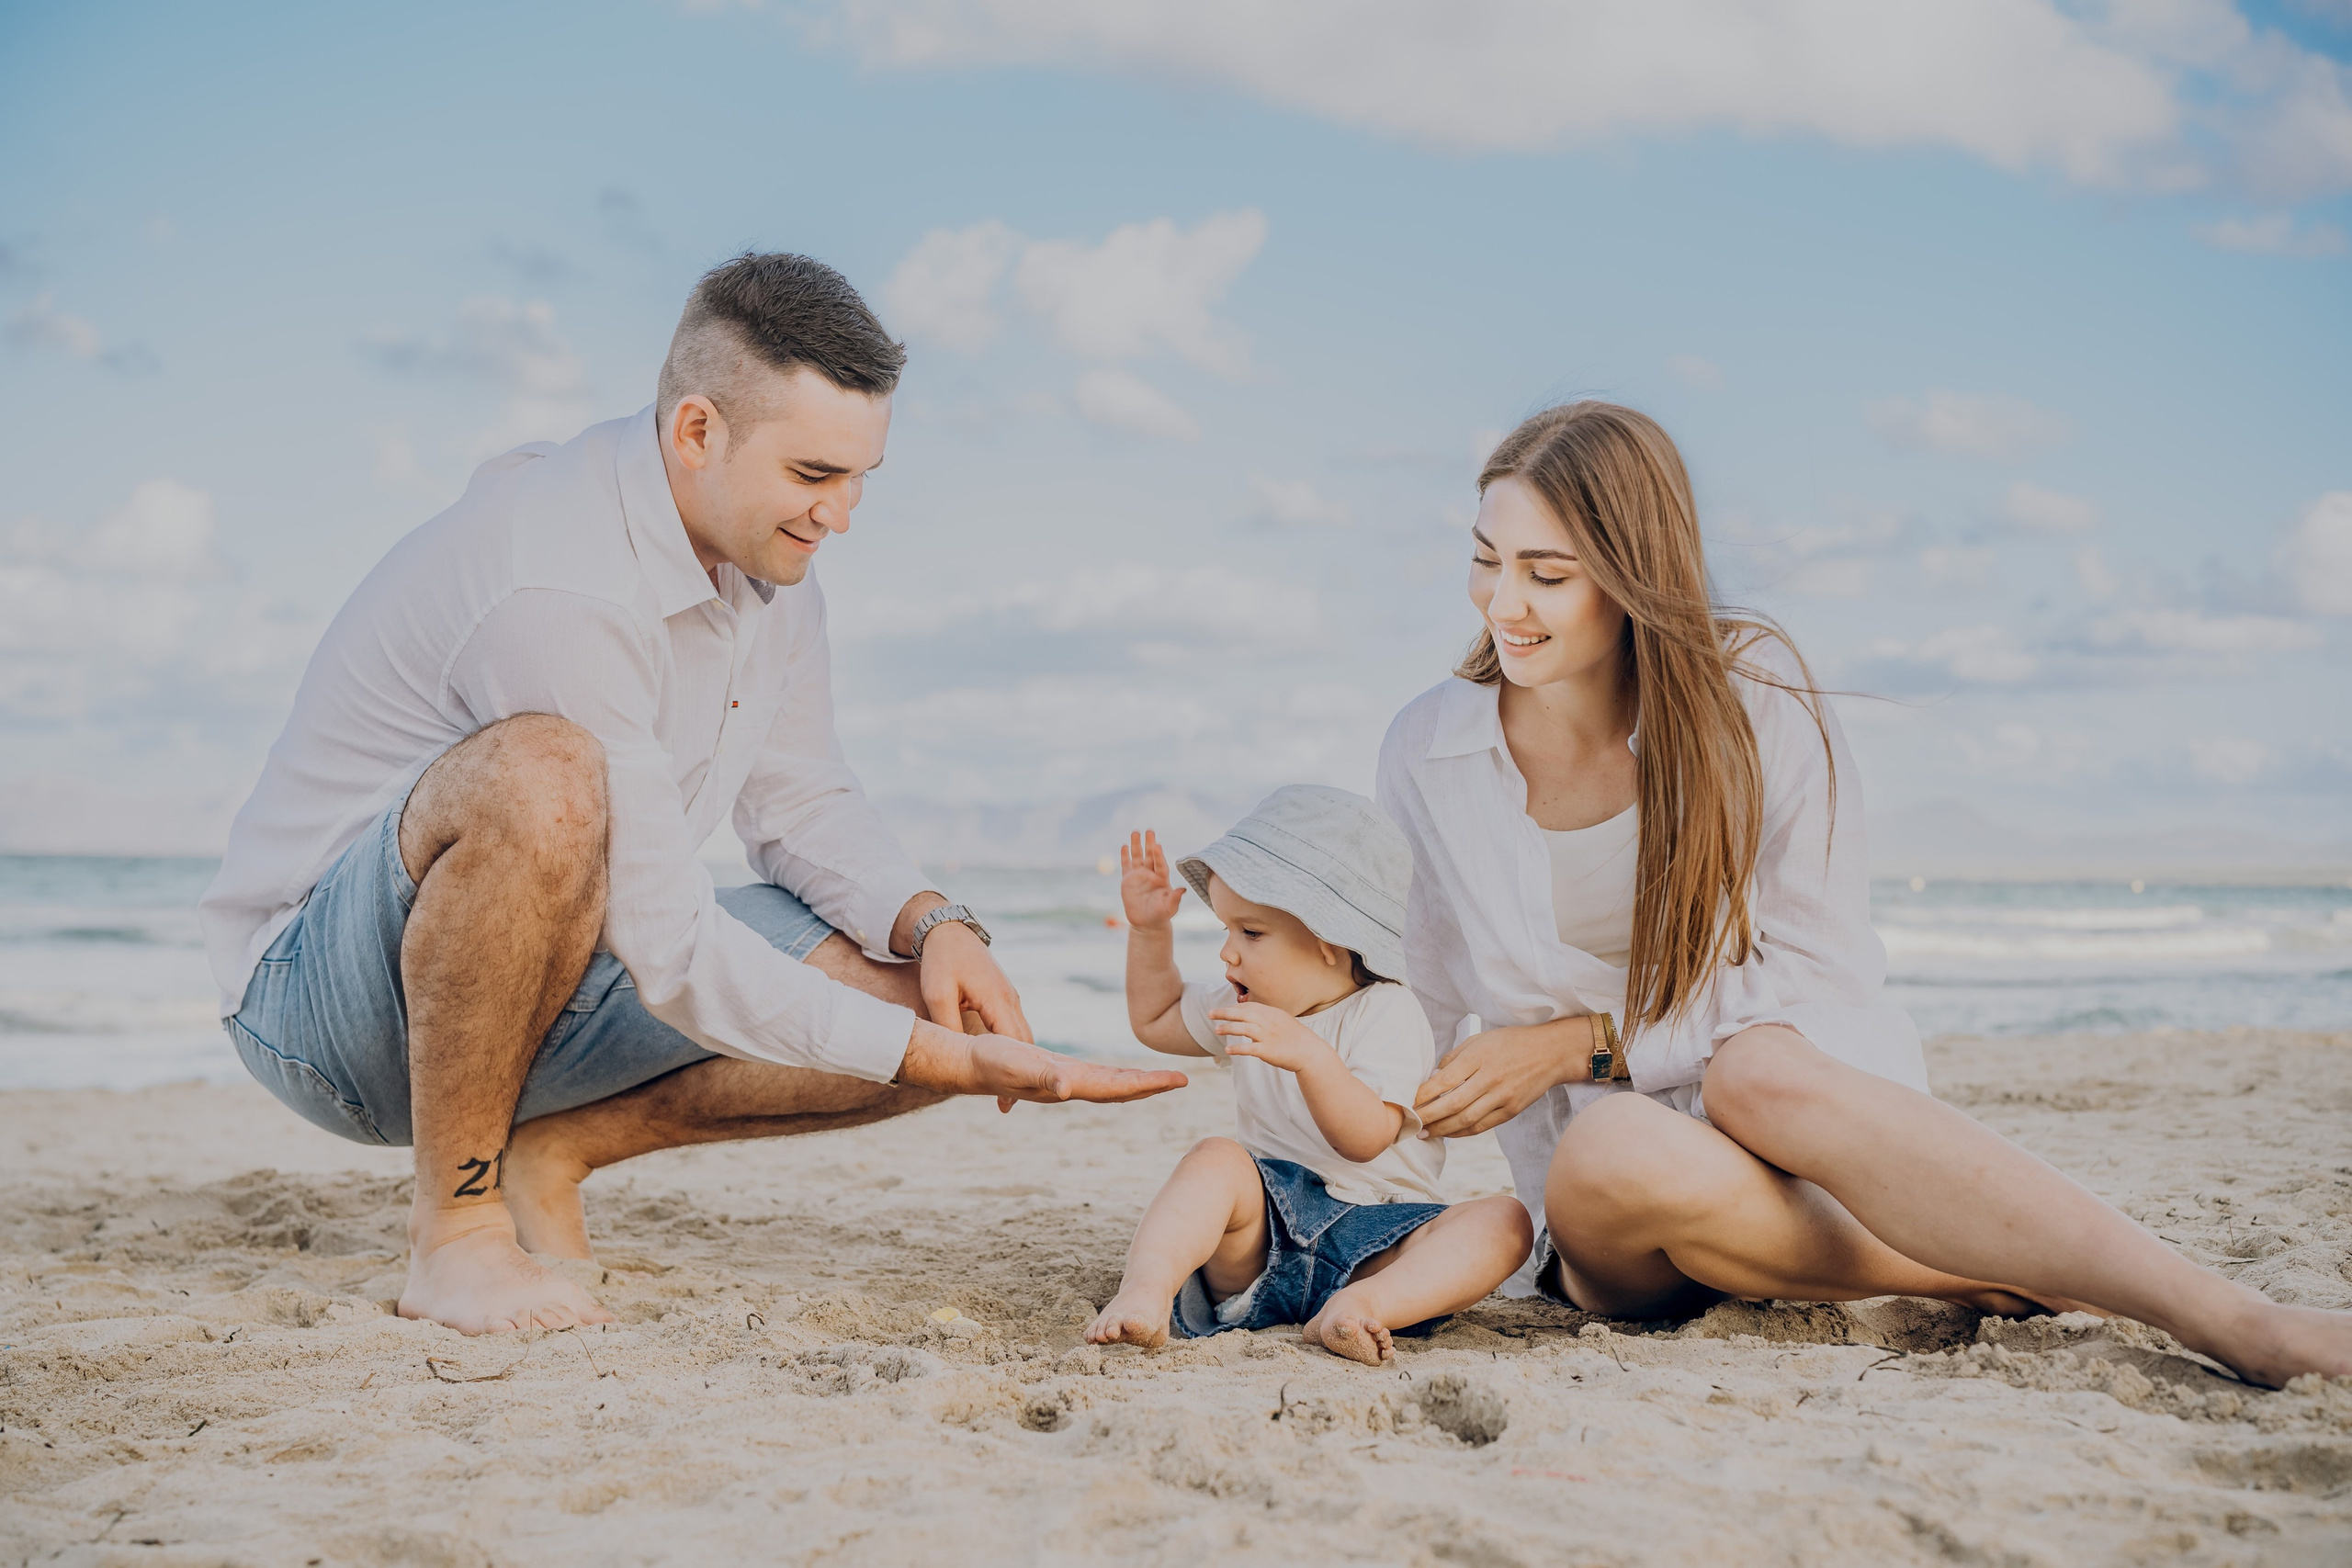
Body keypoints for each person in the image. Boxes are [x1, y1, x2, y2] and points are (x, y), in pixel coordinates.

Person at [198, 254, 1185, 1338]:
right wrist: (943, 1066)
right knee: (545, 777)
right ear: (698, 431)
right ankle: (459, 1233)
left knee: (928, 1003)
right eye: (813, 474)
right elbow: (669, 948)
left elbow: (801, 801)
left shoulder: (771, 565)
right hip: (324, 1012)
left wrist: (933, 923)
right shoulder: (558, 578)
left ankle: (553, 1149)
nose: (840, 515)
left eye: (862, 477)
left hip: (542, 981)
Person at [1379, 400, 2352, 1389]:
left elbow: (1816, 971)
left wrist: (1576, 1043)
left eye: (1546, 575)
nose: (1503, 602)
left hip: (1808, 1152)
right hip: (1623, 1217)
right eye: (1486, 560)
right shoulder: (1429, 751)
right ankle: (1991, 1267)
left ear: (1636, 572)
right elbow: (1400, 1008)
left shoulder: (1750, 699)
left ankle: (2234, 1318)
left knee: (1754, 1068)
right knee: (1608, 1145)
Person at [1085, 791, 1533, 1365]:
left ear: (1329, 942)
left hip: (1381, 1237)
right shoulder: (1245, 1005)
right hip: (1262, 1240)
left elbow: (1365, 1137)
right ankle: (1146, 1290)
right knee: (1216, 1159)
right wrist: (1150, 932)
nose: (1227, 954)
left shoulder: (1388, 1011)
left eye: (1250, 933)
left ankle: (1362, 1306)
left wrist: (1310, 1056)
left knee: (1504, 1220)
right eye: (1225, 929)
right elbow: (1158, 1017)